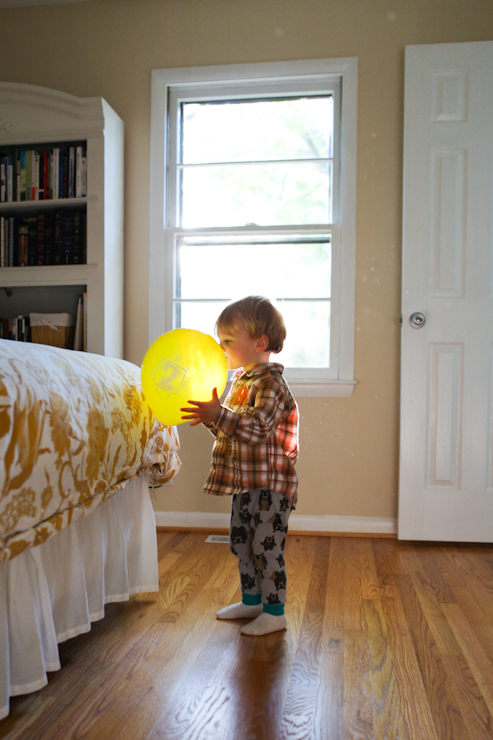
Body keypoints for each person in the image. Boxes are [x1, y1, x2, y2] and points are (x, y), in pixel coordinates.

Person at [181, 296, 299, 636]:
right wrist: (211, 417)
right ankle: (252, 600)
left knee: (266, 548)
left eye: (228, 340)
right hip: (244, 483)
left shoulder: (271, 385)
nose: (221, 347)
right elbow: (231, 432)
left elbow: (258, 428)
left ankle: (274, 612)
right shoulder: (240, 382)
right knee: (242, 543)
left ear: (260, 343)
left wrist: (220, 414)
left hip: (271, 487)